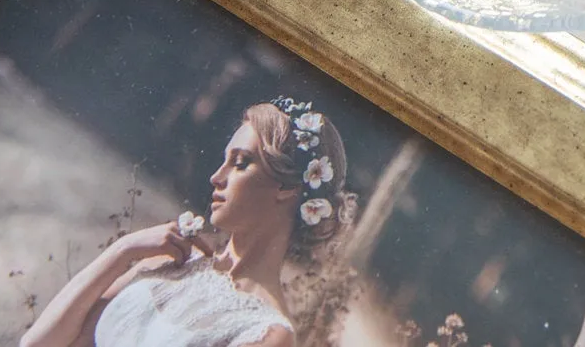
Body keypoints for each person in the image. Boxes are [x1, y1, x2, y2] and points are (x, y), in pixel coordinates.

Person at [22, 97, 354, 347]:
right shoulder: (170, 263)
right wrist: (124, 251)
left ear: (287, 188)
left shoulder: (268, 332)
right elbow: (39, 344)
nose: (216, 177)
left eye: (241, 163)